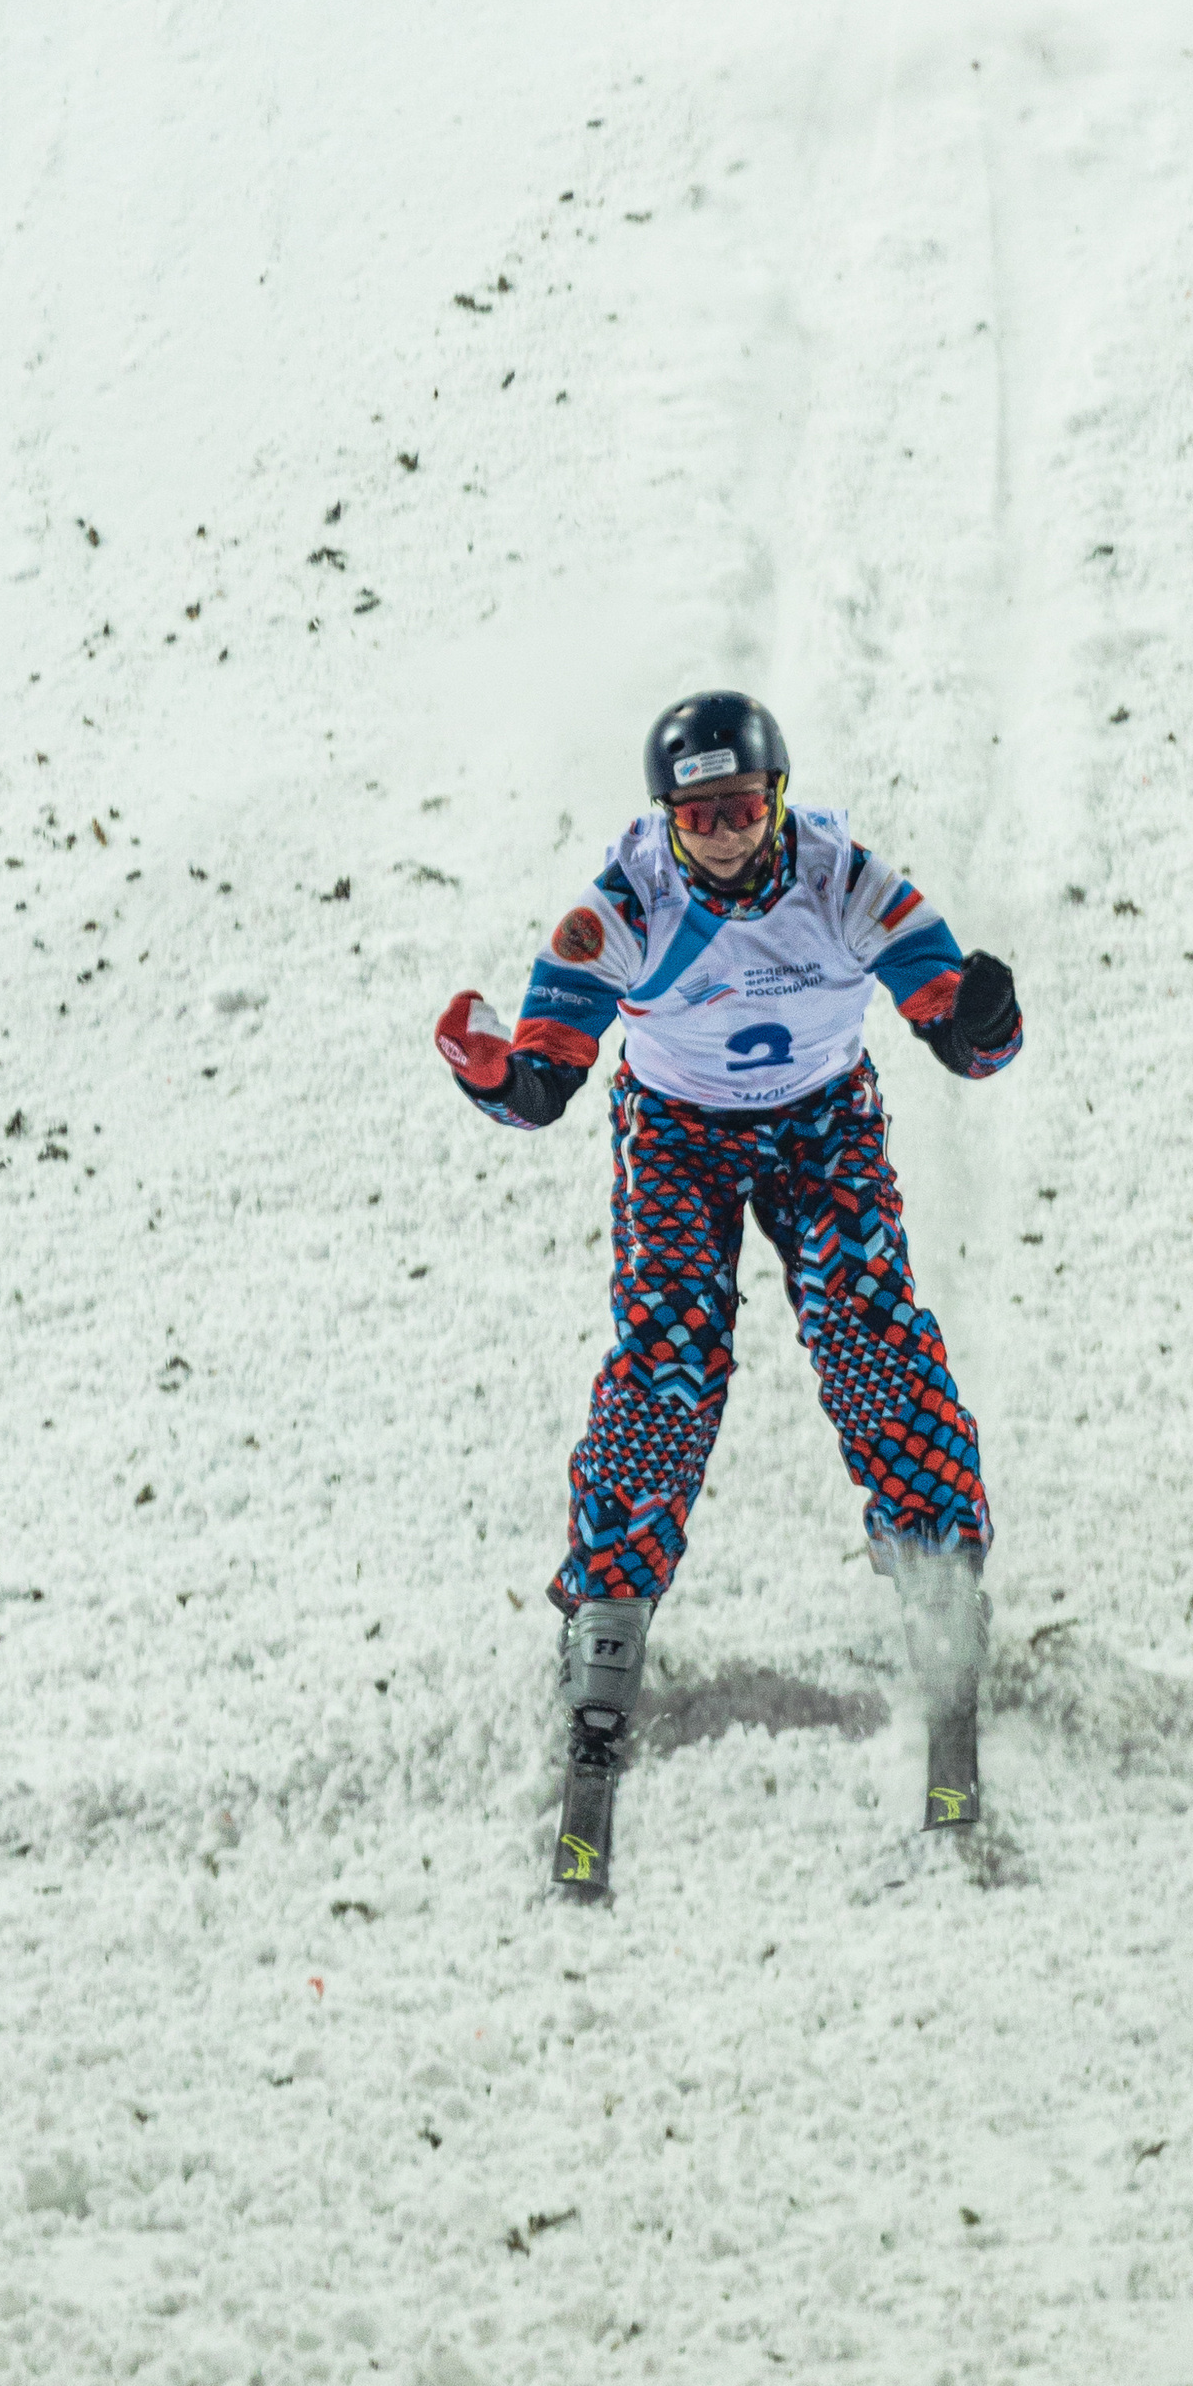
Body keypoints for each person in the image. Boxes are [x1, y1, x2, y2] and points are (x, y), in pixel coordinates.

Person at [433, 692, 1022, 1897]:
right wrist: (494, 1072)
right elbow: (546, 1076)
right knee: (668, 1362)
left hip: (821, 1124)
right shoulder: (625, 907)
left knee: (868, 1337)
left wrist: (981, 1021)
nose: (721, 835)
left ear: (778, 800)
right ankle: (607, 1609)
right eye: (698, 815)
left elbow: (953, 1025)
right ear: (665, 816)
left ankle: (937, 1576)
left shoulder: (843, 879)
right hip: (679, 1138)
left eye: (742, 809)